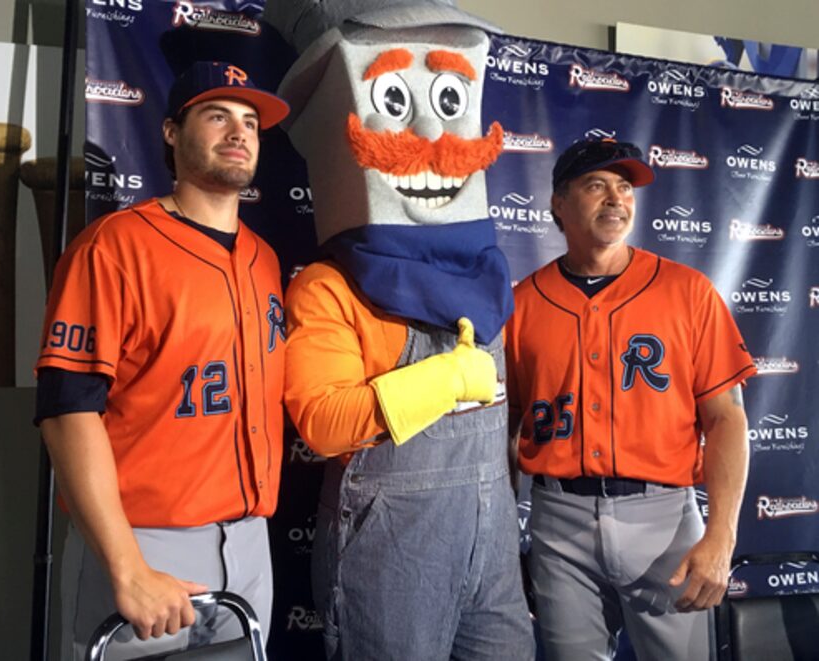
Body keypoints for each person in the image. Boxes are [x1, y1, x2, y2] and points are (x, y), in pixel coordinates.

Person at [264, 1, 535, 658]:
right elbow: (323, 423)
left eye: (446, 98)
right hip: (390, 550)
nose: (433, 138)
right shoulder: (329, 285)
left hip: (491, 534)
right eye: (393, 96)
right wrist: (442, 380)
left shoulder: (488, 272)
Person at [35, 61, 289, 660]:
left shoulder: (267, 259)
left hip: (249, 545)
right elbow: (67, 409)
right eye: (217, 115)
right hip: (140, 543)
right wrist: (126, 566)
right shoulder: (115, 245)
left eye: (250, 121)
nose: (239, 132)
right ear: (172, 132)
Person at [505, 138, 757, 660]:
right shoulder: (521, 303)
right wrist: (503, 531)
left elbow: (727, 419)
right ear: (558, 203)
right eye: (596, 185)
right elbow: (505, 428)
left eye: (625, 187)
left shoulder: (688, 291)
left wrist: (721, 536)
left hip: (664, 519)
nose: (615, 199)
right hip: (558, 519)